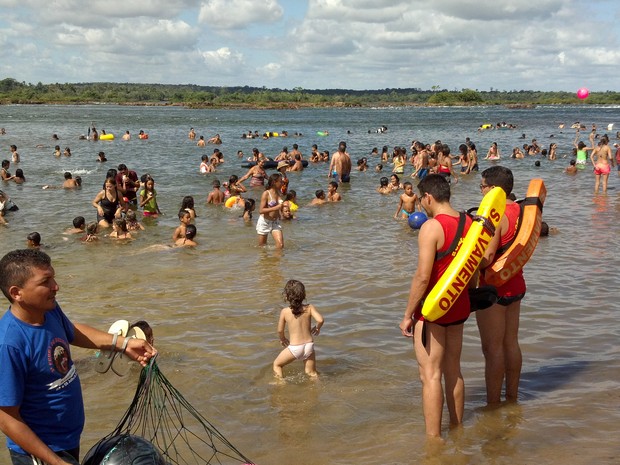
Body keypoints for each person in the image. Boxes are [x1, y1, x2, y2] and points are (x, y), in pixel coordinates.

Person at [0, 249, 156, 465]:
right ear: (17, 293)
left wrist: (123, 343)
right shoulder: (9, 344)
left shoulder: (49, 310)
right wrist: (57, 462)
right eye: (46, 281)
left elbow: (71, 331)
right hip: (40, 452)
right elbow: (6, 418)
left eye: (54, 277)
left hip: (67, 440)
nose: (56, 286)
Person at [399, 174, 473, 437]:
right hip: (459, 304)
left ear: (428, 197)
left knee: (430, 375)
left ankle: (434, 441)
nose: (421, 206)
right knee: (454, 369)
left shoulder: (431, 227)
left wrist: (408, 314)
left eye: (422, 201)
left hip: (433, 309)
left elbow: (422, 276)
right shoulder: (469, 222)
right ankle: (457, 428)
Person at [476, 166, 526, 405]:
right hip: (516, 283)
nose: (481, 191)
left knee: (492, 349)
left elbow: (486, 257)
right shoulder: (519, 208)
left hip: (493, 290)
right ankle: (513, 398)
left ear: (493, 190)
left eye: (482, 186)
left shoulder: (496, 216)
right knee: (511, 343)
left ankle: (493, 405)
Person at [273, 280, 324, 378]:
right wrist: (317, 328)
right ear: (303, 295)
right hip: (309, 346)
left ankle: (280, 385)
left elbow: (280, 330)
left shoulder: (285, 311)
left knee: (277, 364)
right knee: (311, 373)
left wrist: (282, 338)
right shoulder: (309, 308)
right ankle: (317, 390)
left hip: (295, 348)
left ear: (287, 296)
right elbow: (320, 320)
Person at [257, 173, 284, 248]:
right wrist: (275, 208)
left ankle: (278, 259)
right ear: (274, 182)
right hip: (265, 222)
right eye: (280, 181)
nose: (282, 183)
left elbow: (280, 203)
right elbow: (261, 210)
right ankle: (265, 259)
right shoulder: (266, 193)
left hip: (275, 221)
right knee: (262, 247)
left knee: (280, 245)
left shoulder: (279, 192)